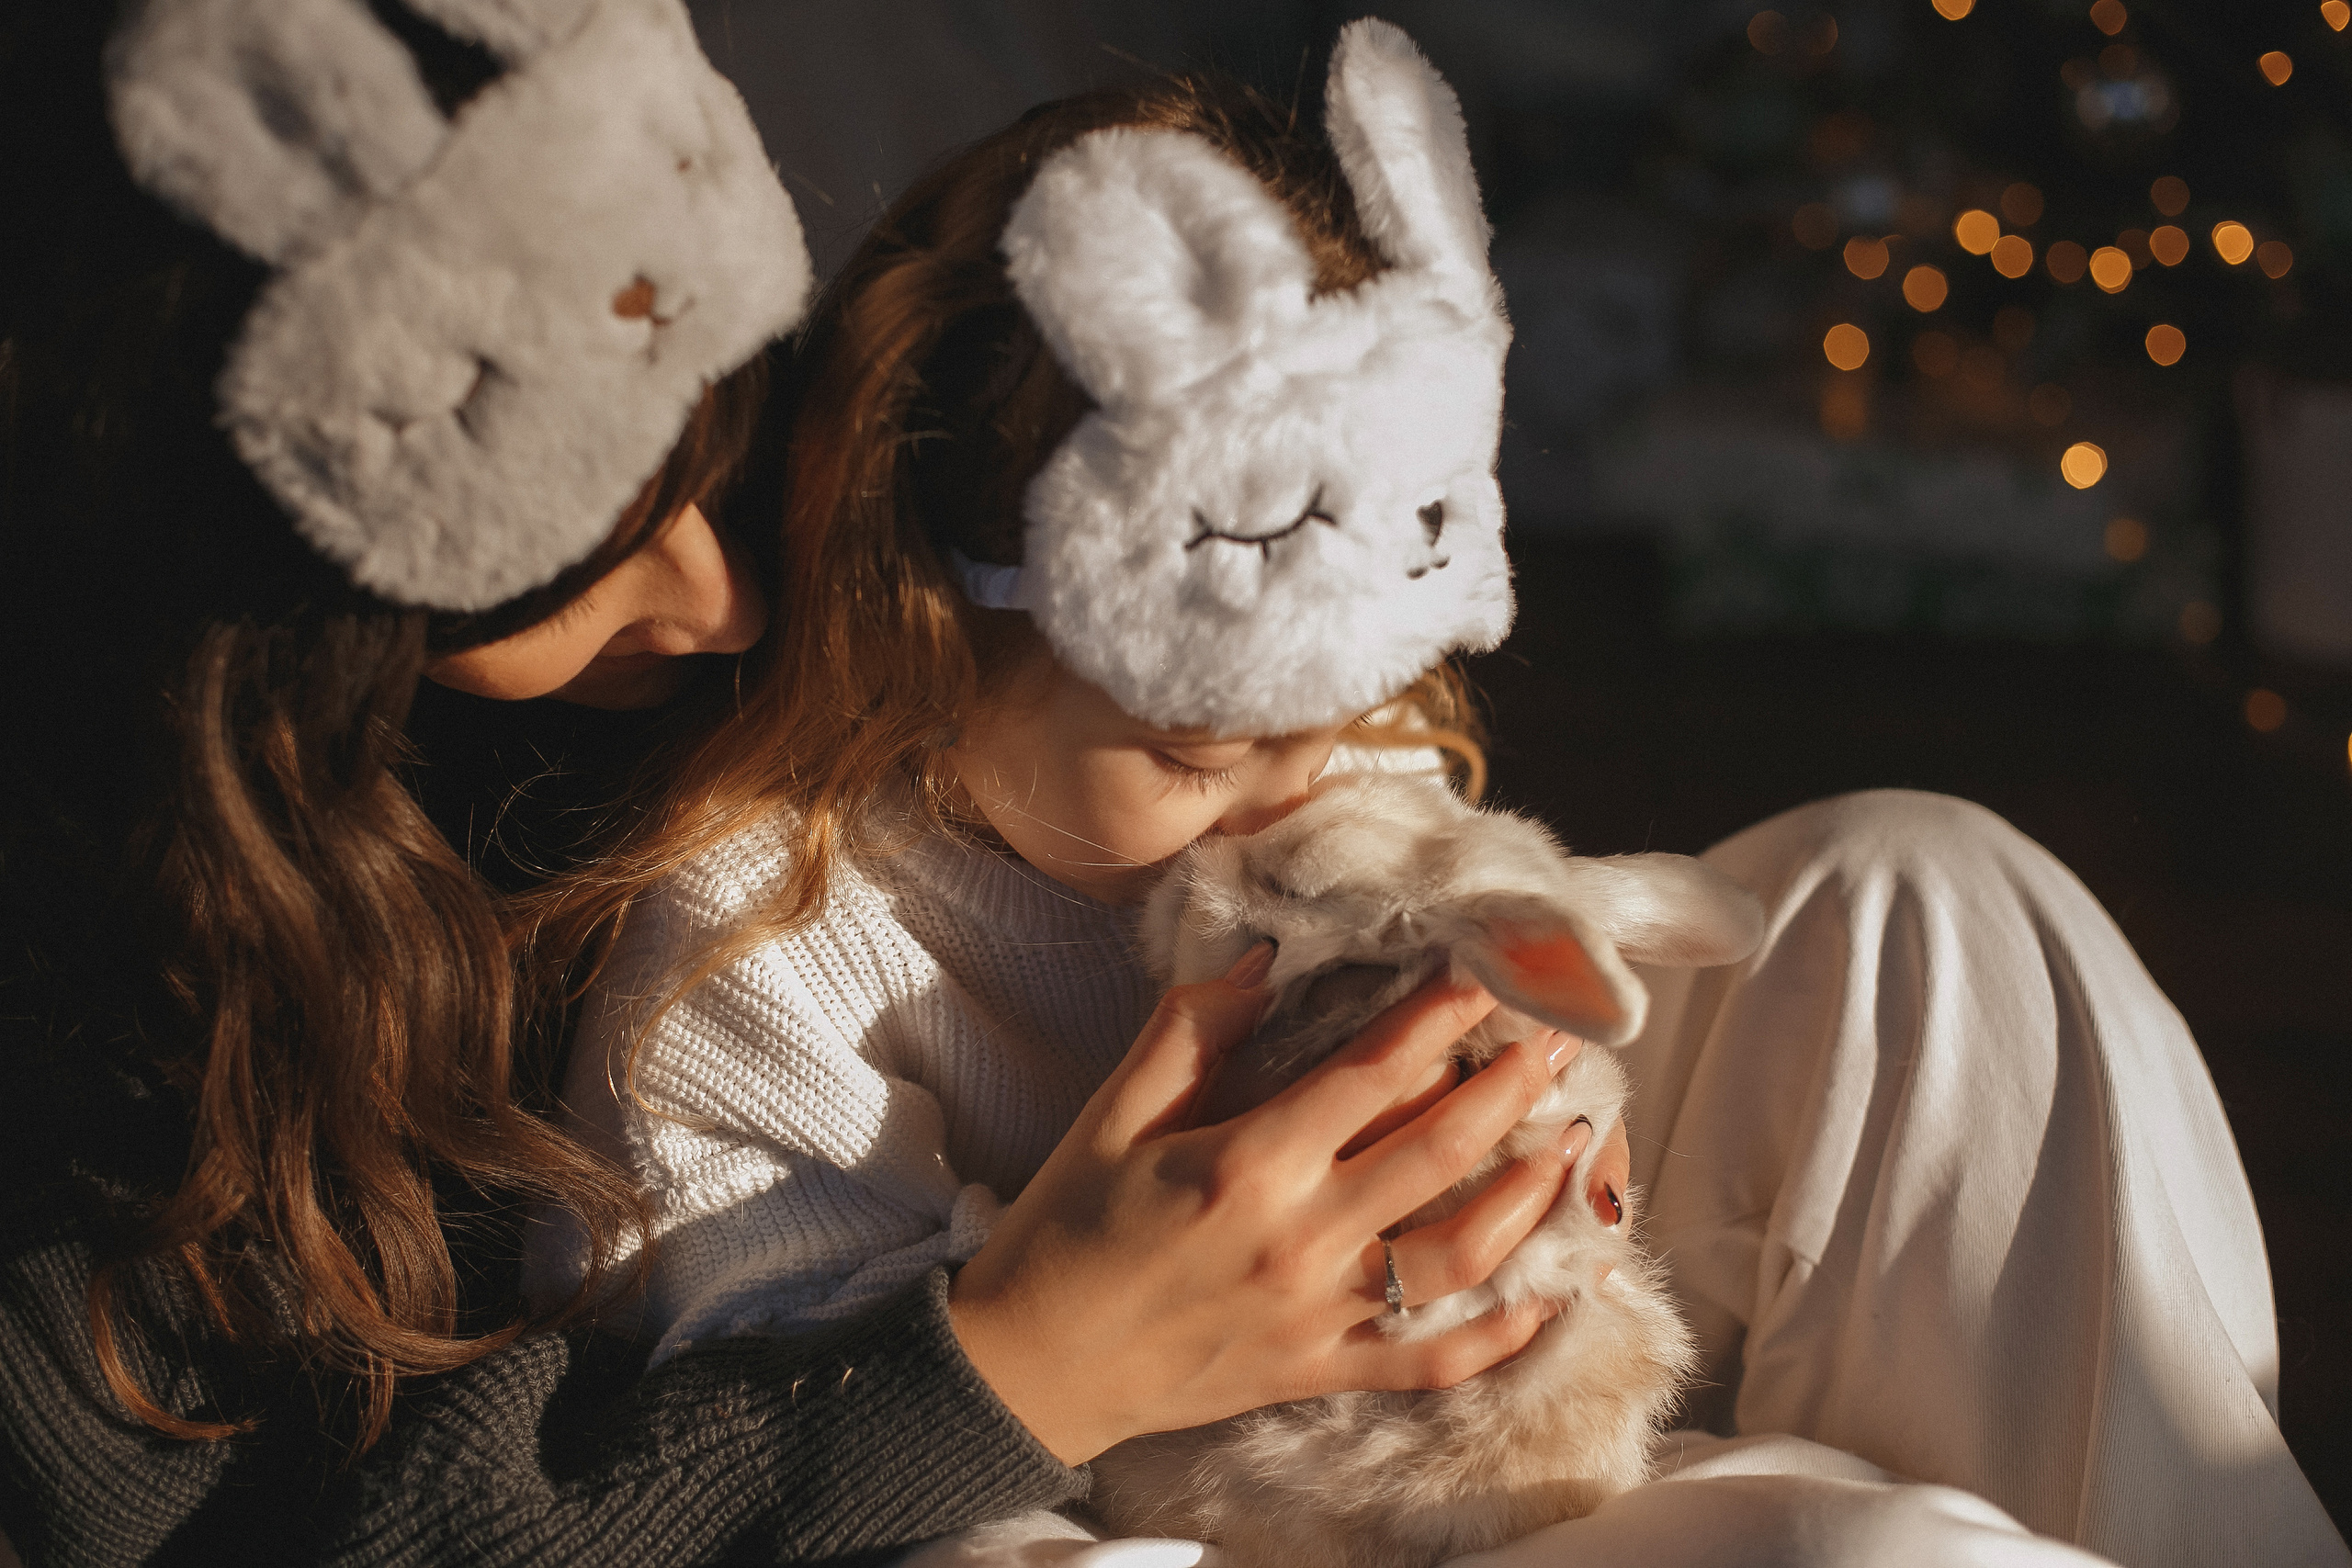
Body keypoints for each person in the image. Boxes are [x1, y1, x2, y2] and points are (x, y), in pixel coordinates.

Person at [514, 22, 2351, 1568]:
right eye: (1201, 750)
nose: (1301, 785)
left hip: (1486, 1409)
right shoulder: (766, 939)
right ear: (914, 631)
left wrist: (1544, 1111)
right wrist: (1101, 1324)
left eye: (1348, 709)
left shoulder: (1311, 721)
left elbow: (1489, 971)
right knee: (1854, 1551)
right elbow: (774, 1441)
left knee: (1924, 893)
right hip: (1128, 1500)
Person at [0, 6, 1568, 1565]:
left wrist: (1506, 1107)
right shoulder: (106, 1093)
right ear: (261, 651)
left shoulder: (1003, 585)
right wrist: (1036, 1356)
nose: (742, 603)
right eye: (572, 565)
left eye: (730, 430)